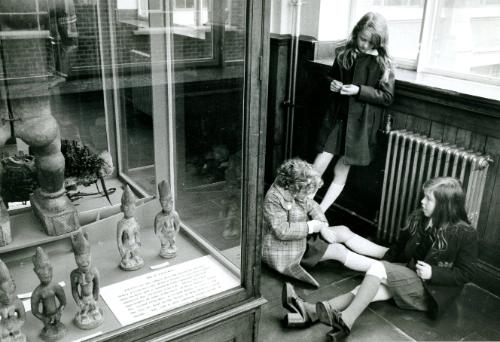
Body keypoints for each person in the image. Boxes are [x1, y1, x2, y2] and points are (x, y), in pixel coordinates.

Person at [282, 177, 478, 339]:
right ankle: (312, 312)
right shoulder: (421, 218)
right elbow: (400, 249)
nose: (422, 202)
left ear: (444, 205)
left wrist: (433, 273)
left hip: (428, 291)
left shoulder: (464, 233)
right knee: (364, 290)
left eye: (428, 199)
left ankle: (346, 319)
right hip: (409, 275)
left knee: (378, 270)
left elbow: (466, 274)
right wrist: (387, 264)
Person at [262, 158, 391, 292]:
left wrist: (323, 226)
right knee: (338, 250)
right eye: (304, 192)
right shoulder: (273, 198)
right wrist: (312, 227)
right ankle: (384, 269)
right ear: (294, 187)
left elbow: (313, 206)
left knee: (343, 231)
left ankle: (388, 254)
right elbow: (281, 231)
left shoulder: (292, 189)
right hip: (286, 249)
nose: (306, 196)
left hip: (302, 237)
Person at [314, 12, 395, 213]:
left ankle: (320, 212)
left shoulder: (384, 64)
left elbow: (387, 97)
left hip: (360, 125)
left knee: (342, 169)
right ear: (356, 33)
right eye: (363, 39)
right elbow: (330, 76)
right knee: (318, 164)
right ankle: (299, 207)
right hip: (338, 119)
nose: (365, 45)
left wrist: (359, 90)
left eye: (371, 42)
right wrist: (331, 83)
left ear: (380, 42)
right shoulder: (344, 54)